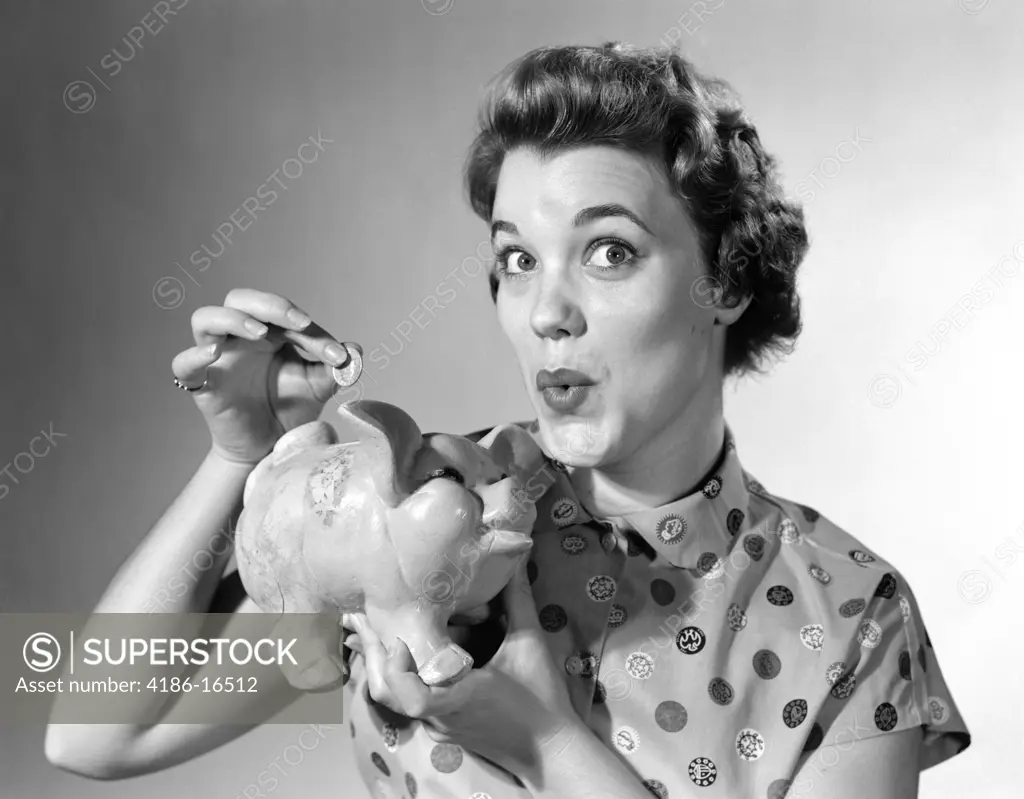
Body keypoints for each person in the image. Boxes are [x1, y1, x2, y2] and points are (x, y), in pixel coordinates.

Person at [45, 42, 970, 798]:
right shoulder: (414, 513)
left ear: (723, 280)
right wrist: (235, 457)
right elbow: (90, 734)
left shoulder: (851, 612)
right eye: (517, 260)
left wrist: (543, 746)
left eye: (608, 251)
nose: (545, 312)